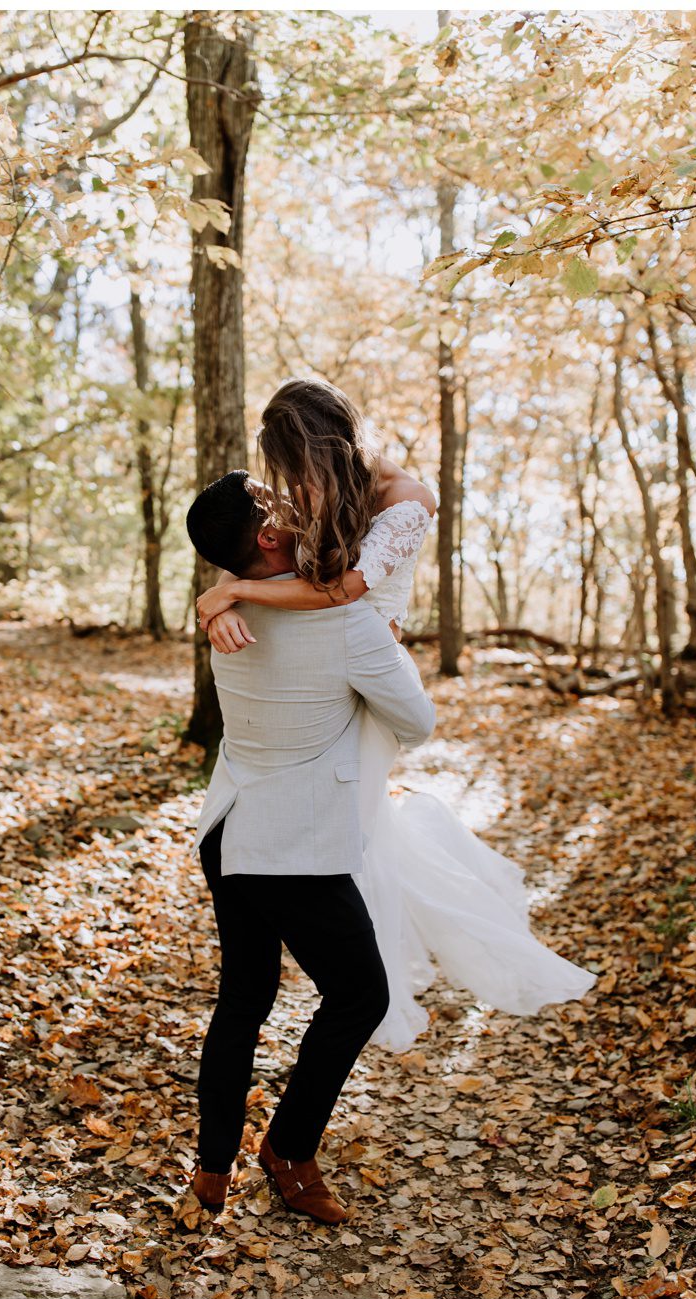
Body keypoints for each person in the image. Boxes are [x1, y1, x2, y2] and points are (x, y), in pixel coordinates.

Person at [194, 378, 594, 1054]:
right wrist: (227, 600)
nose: (296, 491)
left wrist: (228, 589)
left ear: (327, 447)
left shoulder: (408, 501)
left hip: (366, 665)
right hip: (330, 668)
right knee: (358, 828)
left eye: (298, 471)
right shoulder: (327, 492)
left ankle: (367, 985)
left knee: (359, 825)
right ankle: (362, 982)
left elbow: (345, 589)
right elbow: (288, 566)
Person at [183, 469, 436, 1223]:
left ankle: (211, 1171)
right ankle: (288, 1151)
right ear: (269, 537)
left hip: (228, 828)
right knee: (361, 994)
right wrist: (388, 642)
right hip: (290, 847)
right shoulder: (345, 622)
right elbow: (417, 721)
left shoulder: (225, 613)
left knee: (243, 1000)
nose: (301, 503)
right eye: (280, 501)